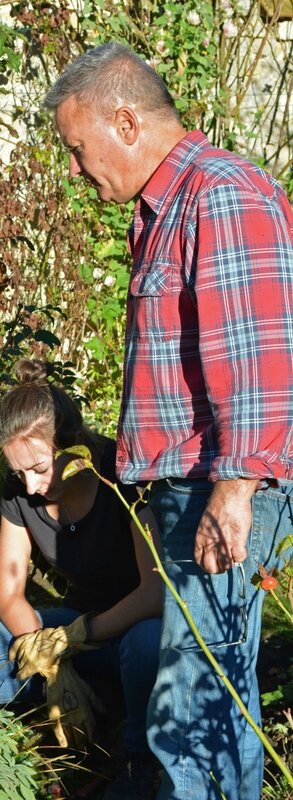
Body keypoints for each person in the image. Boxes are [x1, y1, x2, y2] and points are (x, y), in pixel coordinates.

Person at [43, 41, 293, 800]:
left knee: (194, 708)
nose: (78, 172)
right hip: (186, 492)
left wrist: (234, 491)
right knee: (198, 701)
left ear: (123, 121)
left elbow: (256, 358)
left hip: (217, 493)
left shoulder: (219, 194)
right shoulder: (163, 209)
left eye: (78, 150)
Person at [0, 358, 163, 797]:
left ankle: (138, 761)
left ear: (74, 445)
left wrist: (72, 637)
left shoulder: (119, 471)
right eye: (19, 472)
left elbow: (155, 593)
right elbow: (9, 595)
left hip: (134, 628)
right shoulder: (20, 493)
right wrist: (48, 659)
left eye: (39, 468)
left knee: (149, 643)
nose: (30, 486)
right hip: (76, 623)